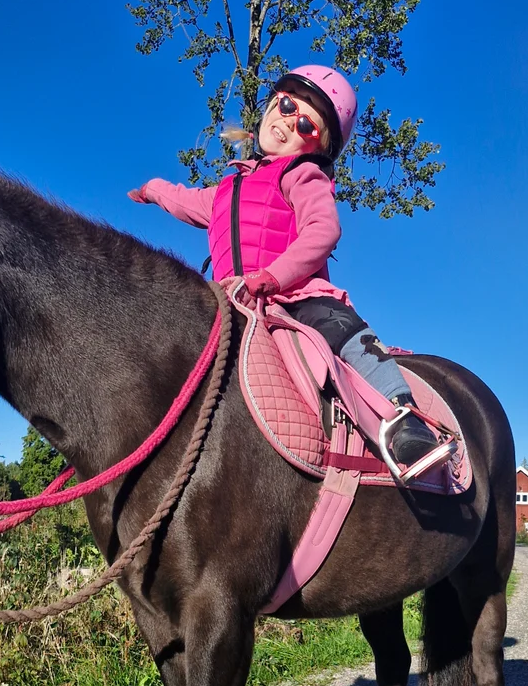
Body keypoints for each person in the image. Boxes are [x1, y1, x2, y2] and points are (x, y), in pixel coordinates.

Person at [128, 64, 439, 467]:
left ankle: (404, 418)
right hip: (234, 301)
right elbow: (188, 202)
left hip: (295, 294)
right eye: (287, 104)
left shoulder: (302, 174)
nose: (290, 121)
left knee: (343, 332)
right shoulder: (227, 189)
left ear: (317, 146)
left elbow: (323, 230)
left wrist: (273, 277)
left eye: (307, 125)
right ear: (272, 102)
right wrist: (154, 190)